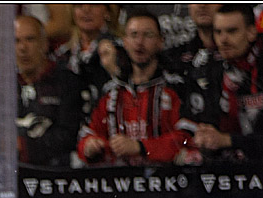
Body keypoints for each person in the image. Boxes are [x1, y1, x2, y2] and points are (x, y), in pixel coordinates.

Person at [77, 10, 196, 166]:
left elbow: (188, 138)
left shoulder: (176, 87)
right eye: (134, 35)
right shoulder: (111, 91)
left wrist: (140, 147)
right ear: (125, 42)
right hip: (119, 183)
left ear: (161, 41)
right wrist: (89, 146)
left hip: (167, 182)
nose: (139, 42)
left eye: (148, 35)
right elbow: (87, 134)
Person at [0, 16, 84, 168]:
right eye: (16, 41)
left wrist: (23, 146)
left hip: (54, 173)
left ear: (44, 44)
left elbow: (70, 136)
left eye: (30, 39)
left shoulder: (67, 83)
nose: (23, 48)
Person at [189, 4, 263, 163]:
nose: (223, 39)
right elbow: (209, 120)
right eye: (218, 32)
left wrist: (229, 140)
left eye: (232, 31)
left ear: (251, 32)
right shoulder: (212, 69)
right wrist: (205, 134)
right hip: (230, 170)